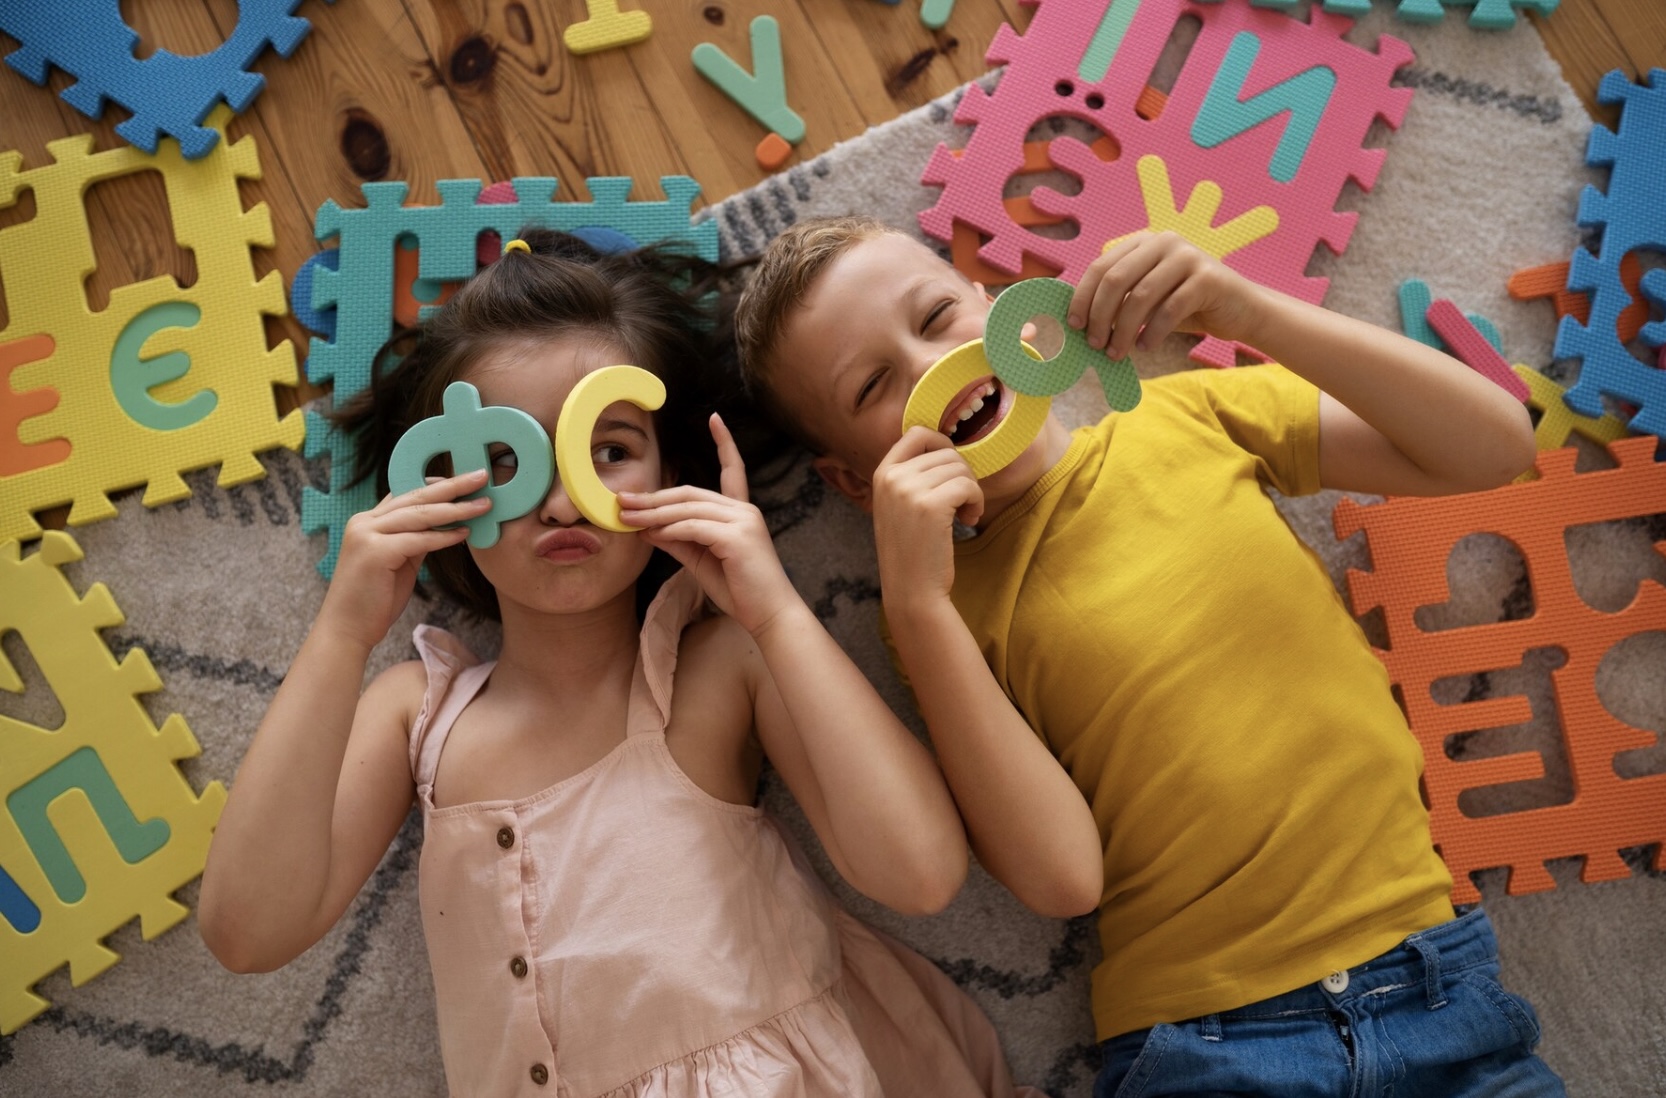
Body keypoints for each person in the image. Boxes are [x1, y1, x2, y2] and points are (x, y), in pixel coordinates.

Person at [732, 215, 1566, 1097]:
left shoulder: (1189, 415)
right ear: (855, 484)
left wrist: (1247, 310)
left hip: (1433, 985)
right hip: (1209, 1044)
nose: (930, 372)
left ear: (1001, 305)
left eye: (936, 316)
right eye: (872, 385)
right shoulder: (935, 610)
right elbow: (1062, 879)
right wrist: (917, 601)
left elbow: (1496, 444)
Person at [199, 231, 1040, 1098]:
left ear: (671, 474)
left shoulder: (717, 666)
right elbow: (247, 933)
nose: (562, 498)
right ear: (438, 489)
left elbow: (923, 875)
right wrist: (342, 632)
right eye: (506, 462)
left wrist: (775, 606)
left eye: (608, 451)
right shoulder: (416, 712)